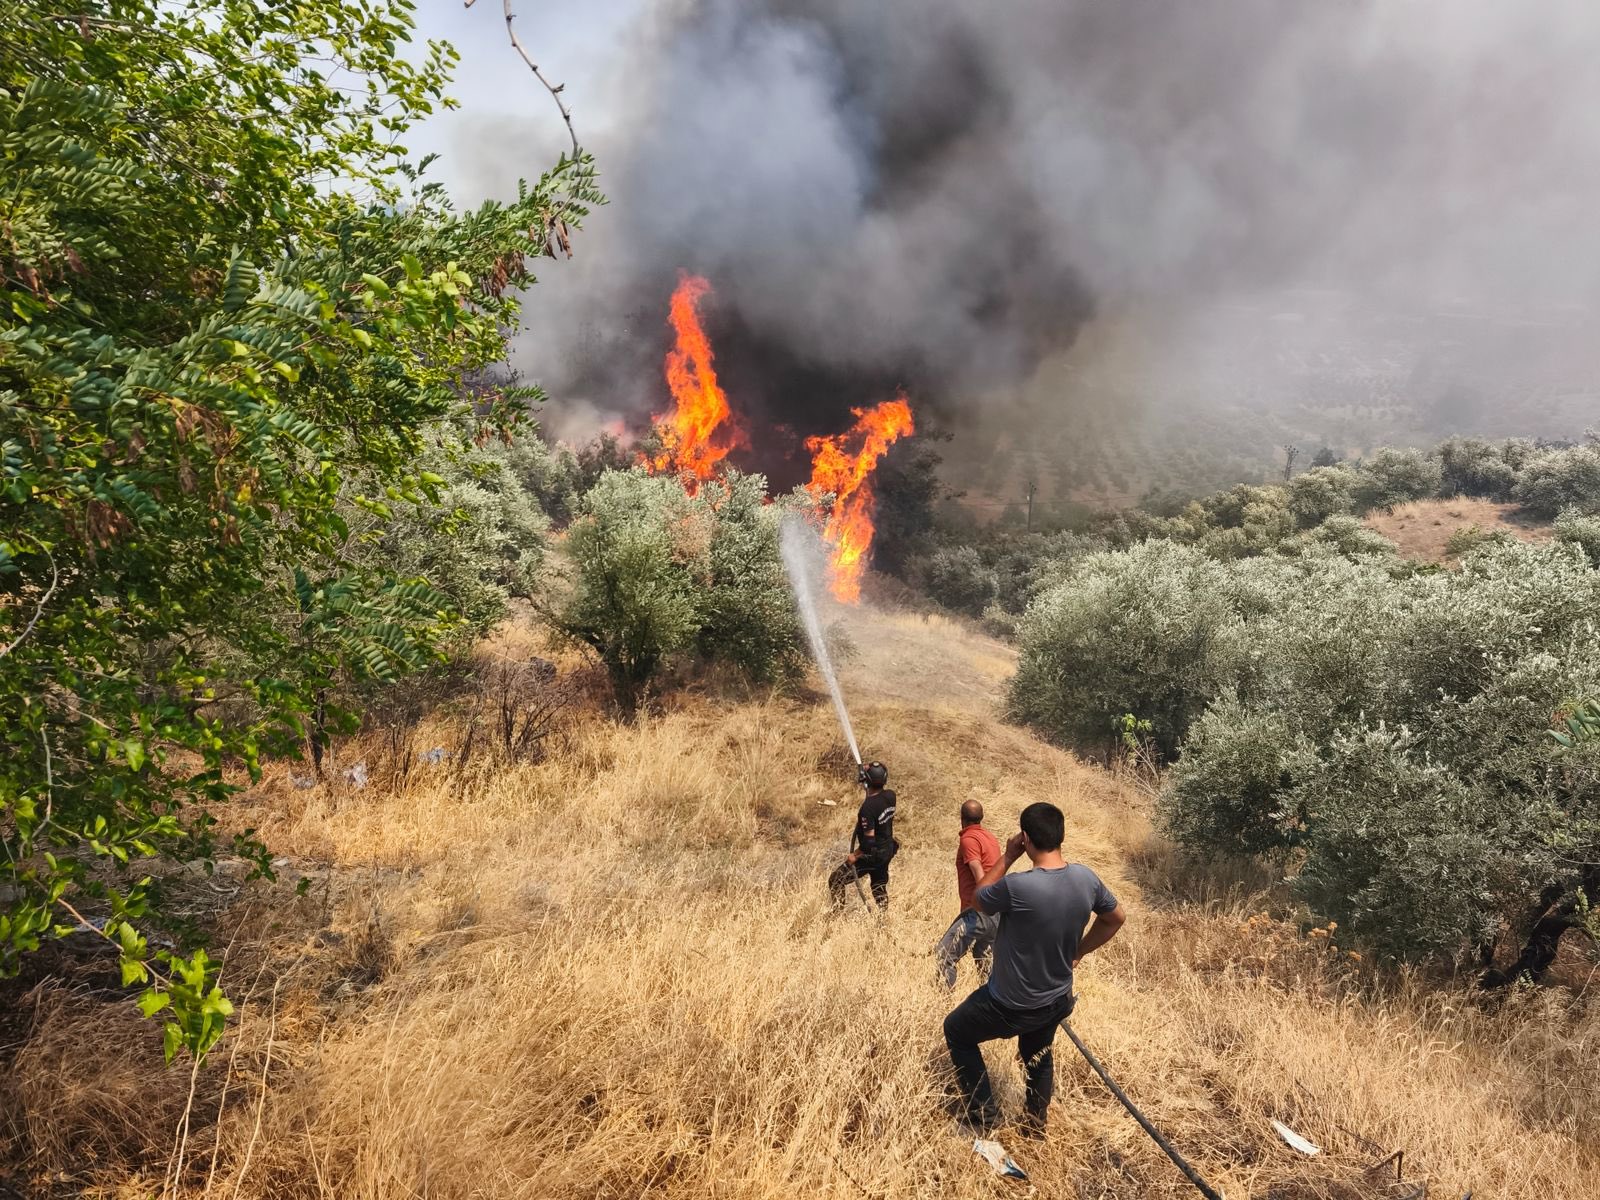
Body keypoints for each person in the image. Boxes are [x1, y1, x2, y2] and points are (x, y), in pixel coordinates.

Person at [943, 801, 1126, 1135]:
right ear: (1061, 836)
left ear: (1024, 838)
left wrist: (1009, 856)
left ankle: (983, 1117)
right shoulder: (1086, 878)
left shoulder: (1019, 887)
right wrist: (1079, 952)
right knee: (1038, 1054)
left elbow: (978, 899)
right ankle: (1034, 1125)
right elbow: (1115, 918)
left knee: (956, 1031)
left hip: (1010, 1003)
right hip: (1055, 997)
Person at [934, 799, 1002, 987]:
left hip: (978, 912)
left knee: (944, 954)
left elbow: (979, 875)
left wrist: (978, 905)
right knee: (985, 963)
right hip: (995, 913)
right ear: (981, 817)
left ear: (961, 818)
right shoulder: (990, 838)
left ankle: (941, 1004)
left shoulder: (969, 839)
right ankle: (991, 1007)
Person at [828, 761, 897, 910]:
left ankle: (836, 913)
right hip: (887, 850)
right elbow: (874, 797)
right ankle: (883, 919)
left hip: (872, 855)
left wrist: (855, 856)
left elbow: (868, 842)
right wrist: (870, 773)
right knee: (878, 886)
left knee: (836, 879)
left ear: (867, 781)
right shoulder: (890, 796)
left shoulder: (868, 808)